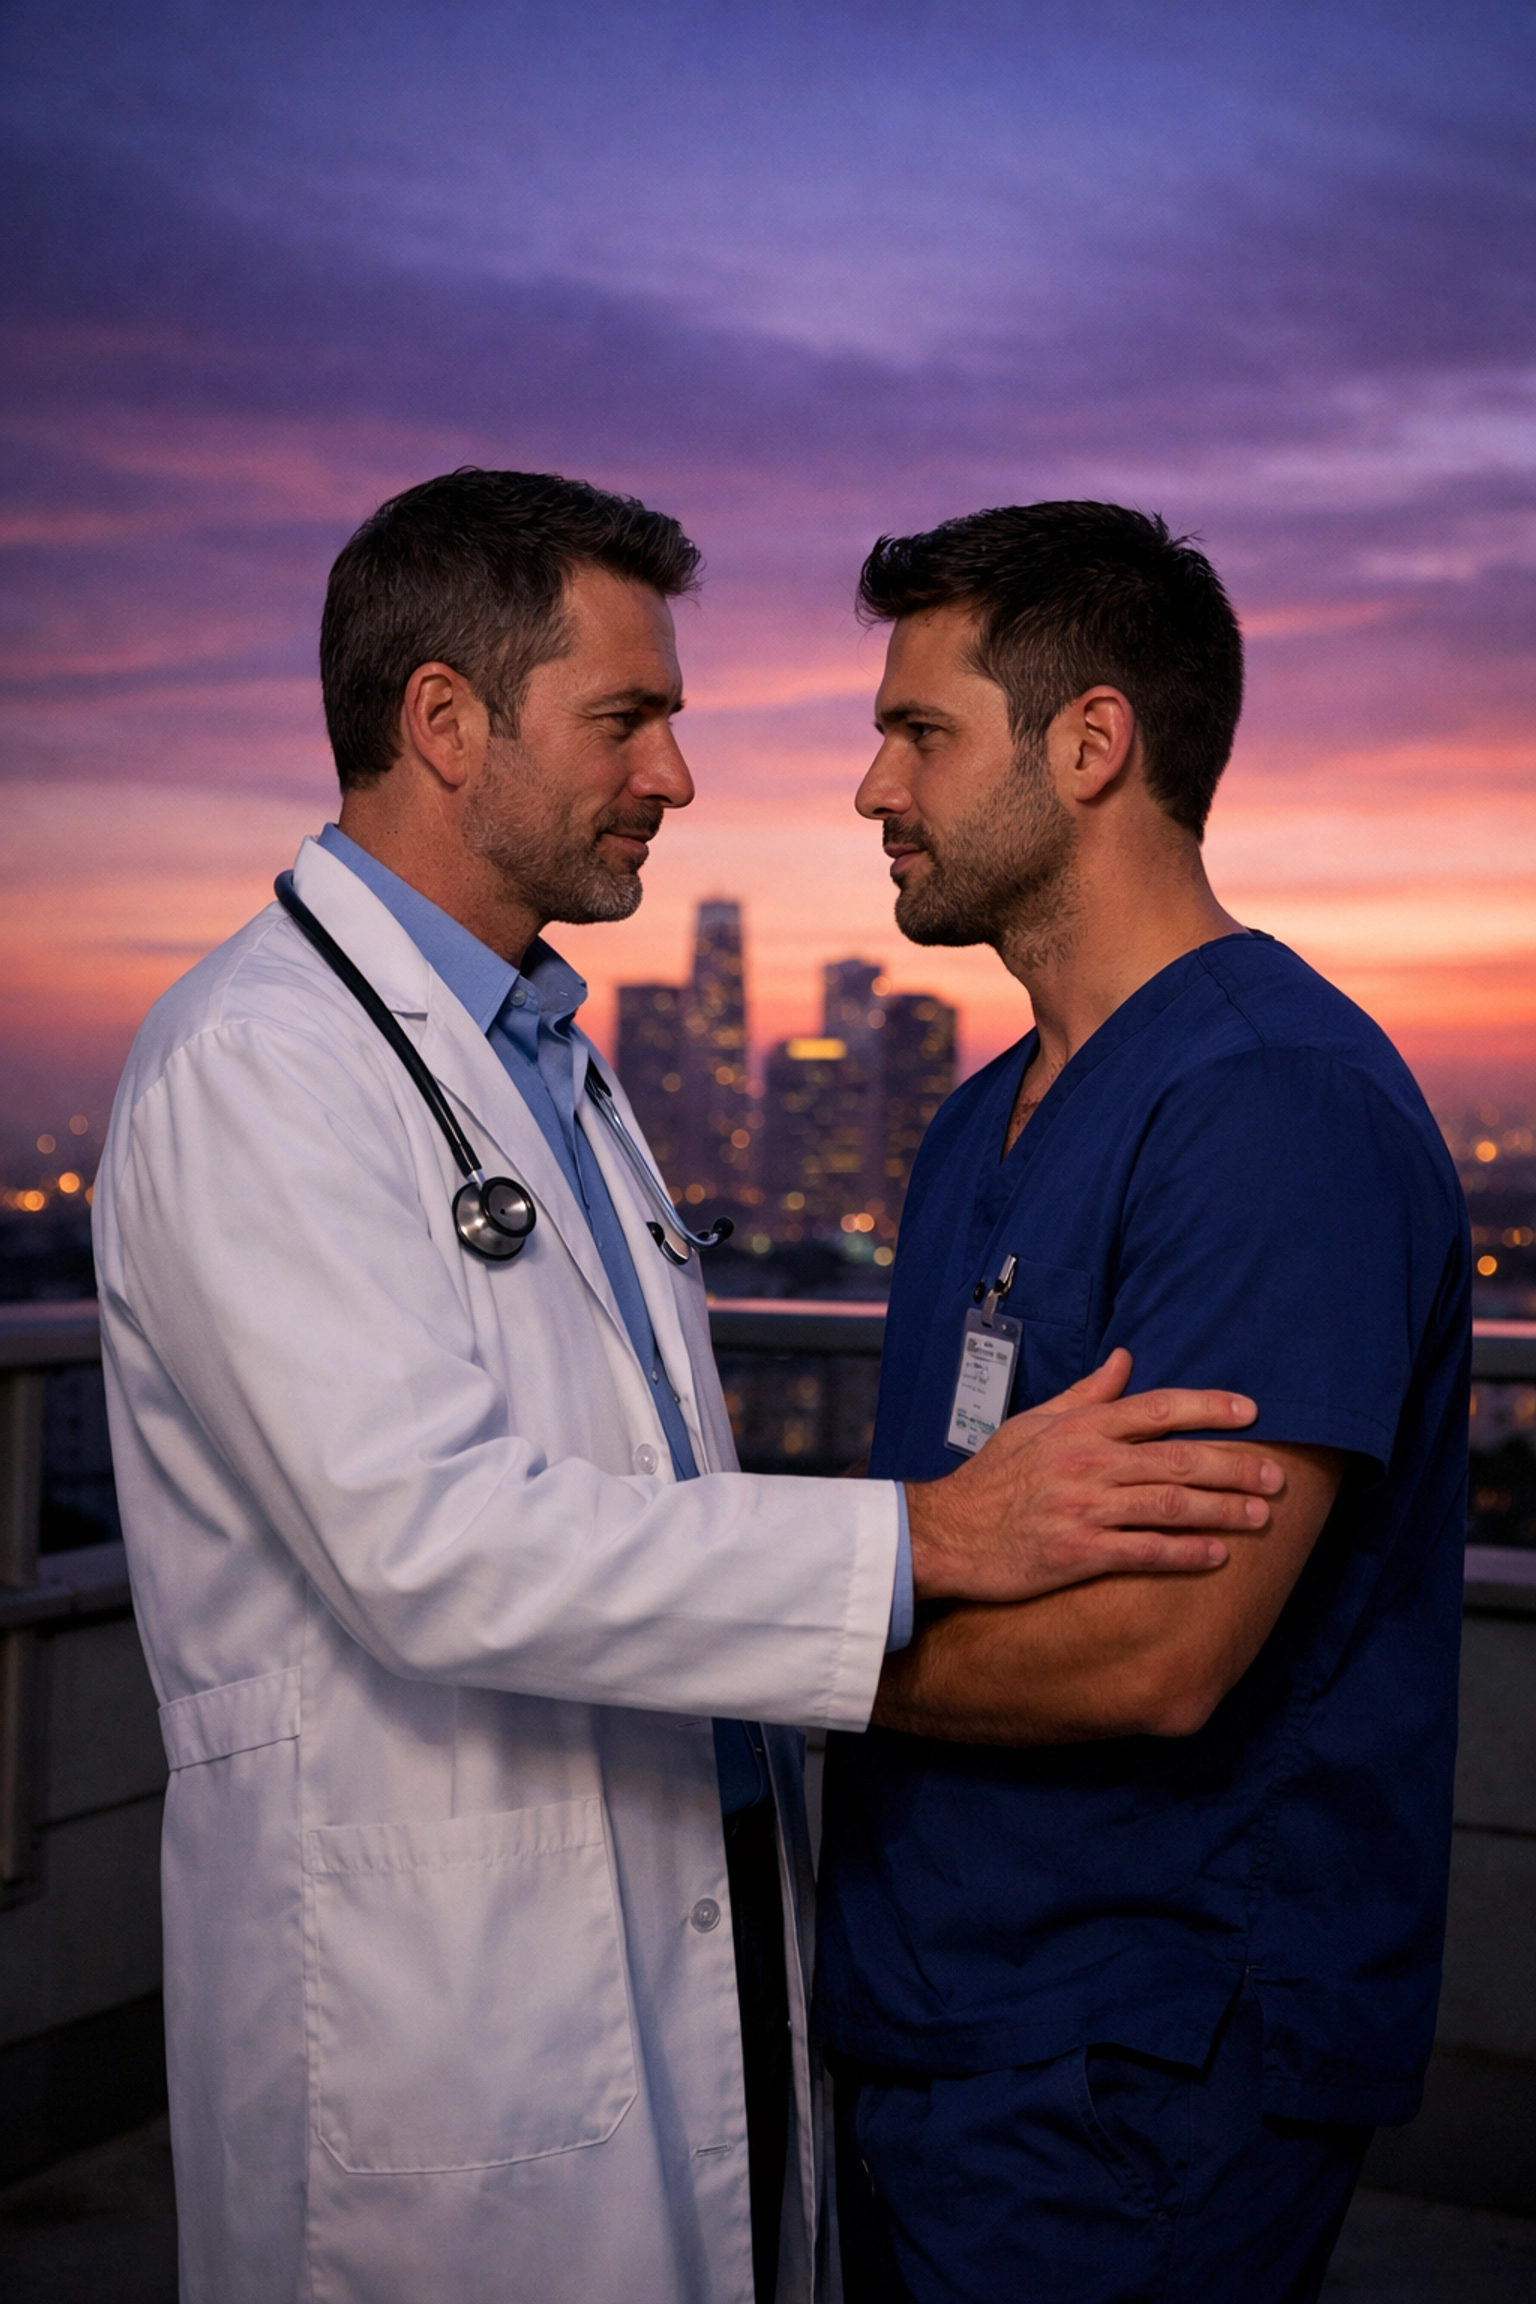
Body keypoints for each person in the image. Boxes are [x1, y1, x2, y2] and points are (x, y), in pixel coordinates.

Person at [92, 471, 1280, 2304]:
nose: (678, 777)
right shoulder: (258, 1068)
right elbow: (431, 1542)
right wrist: (927, 1541)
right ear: (444, 722)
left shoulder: (546, 1064)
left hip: (687, 1930)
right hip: (443, 2006)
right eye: (629, 718)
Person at [814, 502, 1471, 2304]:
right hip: (930, 2017)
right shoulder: (979, 1120)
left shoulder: (1275, 1108)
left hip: (1137, 2061)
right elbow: (943, 1543)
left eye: (920, 731)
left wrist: (753, 1647)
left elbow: (1155, 1654)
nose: (874, 787)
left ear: (1091, 743)